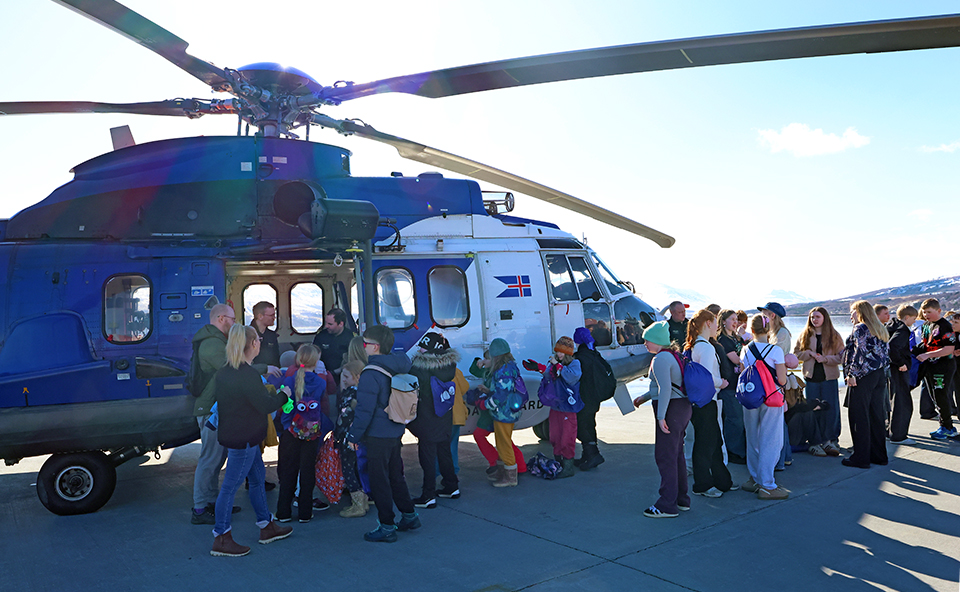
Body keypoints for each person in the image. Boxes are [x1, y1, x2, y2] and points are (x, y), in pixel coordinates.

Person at [210, 324, 291, 557]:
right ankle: (221, 537)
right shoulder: (249, 375)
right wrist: (284, 395)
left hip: (240, 436)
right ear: (253, 344)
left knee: (256, 480)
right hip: (245, 440)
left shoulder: (225, 372)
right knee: (230, 488)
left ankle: (267, 526)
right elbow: (265, 405)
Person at [346, 325, 420, 543]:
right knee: (396, 475)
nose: (363, 346)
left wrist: (353, 436)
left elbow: (364, 410)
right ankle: (409, 515)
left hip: (377, 433)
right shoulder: (399, 365)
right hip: (395, 428)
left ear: (375, 346)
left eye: (365, 343)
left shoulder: (371, 373)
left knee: (379, 481)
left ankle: (387, 526)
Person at [634, 321, 691, 518]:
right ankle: (681, 499)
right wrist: (644, 398)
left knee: (665, 456)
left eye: (647, 340)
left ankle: (667, 504)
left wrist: (661, 417)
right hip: (682, 407)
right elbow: (667, 386)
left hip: (671, 410)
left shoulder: (660, 359)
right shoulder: (673, 355)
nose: (645, 344)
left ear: (657, 340)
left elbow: (665, 389)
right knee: (676, 454)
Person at [276, 344, 330, 523]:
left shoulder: (289, 381)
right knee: (307, 471)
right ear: (316, 361)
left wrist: (287, 425)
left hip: (291, 432)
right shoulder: (321, 382)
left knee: (288, 471)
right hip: (312, 433)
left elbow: (285, 407)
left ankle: (283, 512)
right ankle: (305, 512)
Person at [407, 332, 461, 508]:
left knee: (427, 458)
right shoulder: (449, 366)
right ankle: (452, 486)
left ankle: (428, 495)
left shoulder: (420, 368)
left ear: (430, 349)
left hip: (426, 419)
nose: (419, 350)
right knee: (444, 453)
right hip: (444, 417)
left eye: (422, 347)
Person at [740, 314, 789, 500]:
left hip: (750, 397)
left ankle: (754, 478)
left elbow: (744, 373)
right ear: (768, 330)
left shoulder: (745, 350)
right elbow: (782, 380)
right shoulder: (775, 351)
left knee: (752, 438)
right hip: (770, 398)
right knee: (771, 440)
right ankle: (767, 484)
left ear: (751, 330)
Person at [685, 310, 734, 498]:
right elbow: (706, 376)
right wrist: (721, 382)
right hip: (706, 401)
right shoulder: (705, 348)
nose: (717, 327)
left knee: (712, 441)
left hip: (701, 401)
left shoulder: (696, 345)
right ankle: (702, 485)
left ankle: (723, 481)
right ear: (707, 323)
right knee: (706, 444)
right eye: (714, 323)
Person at [842, 300, 891, 468]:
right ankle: (879, 455)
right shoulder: (879, 328)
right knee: (876, 415)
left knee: (859, 416)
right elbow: (885, 354)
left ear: (860, 312)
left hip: (862, 376)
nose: (851, 315)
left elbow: (859, 353)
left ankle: (860, 458)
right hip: (879, 375)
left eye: (853, 311)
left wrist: (852, 374)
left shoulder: (860, 328)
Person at [476, 338, 527, 488]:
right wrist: (489, 391)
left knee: (504, 444)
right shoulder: (509, 367)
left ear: (496, 356)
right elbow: (502, 390)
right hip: (507, 412)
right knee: (502, 442)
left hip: (504, 414)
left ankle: (510, 477)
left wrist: (485, 404)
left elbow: (501, 394)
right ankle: (503, 472)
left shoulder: (503, 371)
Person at [794, 307, 844, 456]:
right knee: (813, 409)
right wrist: (808, 354)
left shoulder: (834, 335)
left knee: (831, 409)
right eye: (812, 317)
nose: (814, 320)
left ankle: (830, 440)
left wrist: (826, 359)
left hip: (829, 378)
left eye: (817, 317)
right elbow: (796, 354)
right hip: (811, 378)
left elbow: (842, 356)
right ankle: (815, 441)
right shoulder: (805, 334)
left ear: (824, 318)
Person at [913, 298, 957, 441]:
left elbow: (949, 349)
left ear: (938, 311)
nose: (926, 315)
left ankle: (948, 427)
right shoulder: (926, 325)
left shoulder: (945, 326)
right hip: (929, 366)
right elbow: (925, 344)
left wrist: (928, 355)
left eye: (929, 312)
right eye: (924, 312)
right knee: (934, 396)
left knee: (941, 395)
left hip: (943, 367)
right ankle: (945, 425)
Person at [541, 336, 583, 479]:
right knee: (555, 436)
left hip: (568, 408)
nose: (558, 354)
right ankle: (558, 461)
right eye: (557, 351)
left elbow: (571, 378)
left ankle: (568, 466)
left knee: (567, 437)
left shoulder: (575, 364)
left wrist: (558, 366)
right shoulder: (555, 363)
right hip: (556, 406)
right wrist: (541, 368)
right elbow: (548, 376)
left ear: (568, 353)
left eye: (561, 352)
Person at [574, 327, 613, 471]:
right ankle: (588, 455)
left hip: (585, 397)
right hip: (594, 397)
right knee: (589, 424)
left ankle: (593, 455)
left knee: (582, 426)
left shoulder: (581, 357)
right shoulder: (593, 353)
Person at [336, 361, 368, 518]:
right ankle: (364, 500)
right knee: (357, 468)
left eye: (346, 376)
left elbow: (344, 416)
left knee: (348, 469)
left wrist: (337, 434)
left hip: (347, 437)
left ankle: (358, 505)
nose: (343, 379)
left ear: (357, 376)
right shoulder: (364, 392)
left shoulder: (350, 394)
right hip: (358, 437)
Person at [717, 310, 746, 464]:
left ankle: (739, 449)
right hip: (729, 385)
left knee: (739, 418)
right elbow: (736, 359)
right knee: (735, 419)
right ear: (723, 321)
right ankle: (733, 451)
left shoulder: (735, 338)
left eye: (736, 319)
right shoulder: (723, 340)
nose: (735, 322)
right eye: (732, 319)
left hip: (738, 384)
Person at [887, 305, 918, 445]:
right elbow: (893, 346)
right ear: (907, 317)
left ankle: (889, 431)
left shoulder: (891, 326)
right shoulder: (903, 329)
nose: (914, 321)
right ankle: (899, 436)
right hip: (899, 369)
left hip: (890, 369)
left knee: (892, 399)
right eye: (914, 318)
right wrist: (900, 363)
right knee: (903, 402)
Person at [313, 308, 355, 380]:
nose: (326, 326)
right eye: (326, 323)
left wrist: (338, 371)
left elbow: (354, 360)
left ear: (341, 324)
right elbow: (312, 355)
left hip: (344, 375)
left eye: (330, 324)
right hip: (322, 375)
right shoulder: (321, 336)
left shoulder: (350, 337)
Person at [251, 301, 280, 368]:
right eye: (271, 315)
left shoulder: (272, 336)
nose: (274, 318)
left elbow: (276, 360)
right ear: (260, 316)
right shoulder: (247, 334)